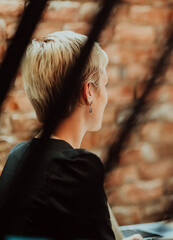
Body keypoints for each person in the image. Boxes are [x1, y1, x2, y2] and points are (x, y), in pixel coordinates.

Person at [0, 31, 142, 240]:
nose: (107, 96)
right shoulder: (73, 168)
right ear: (89, 92)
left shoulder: (18, 155)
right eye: (105, 85)